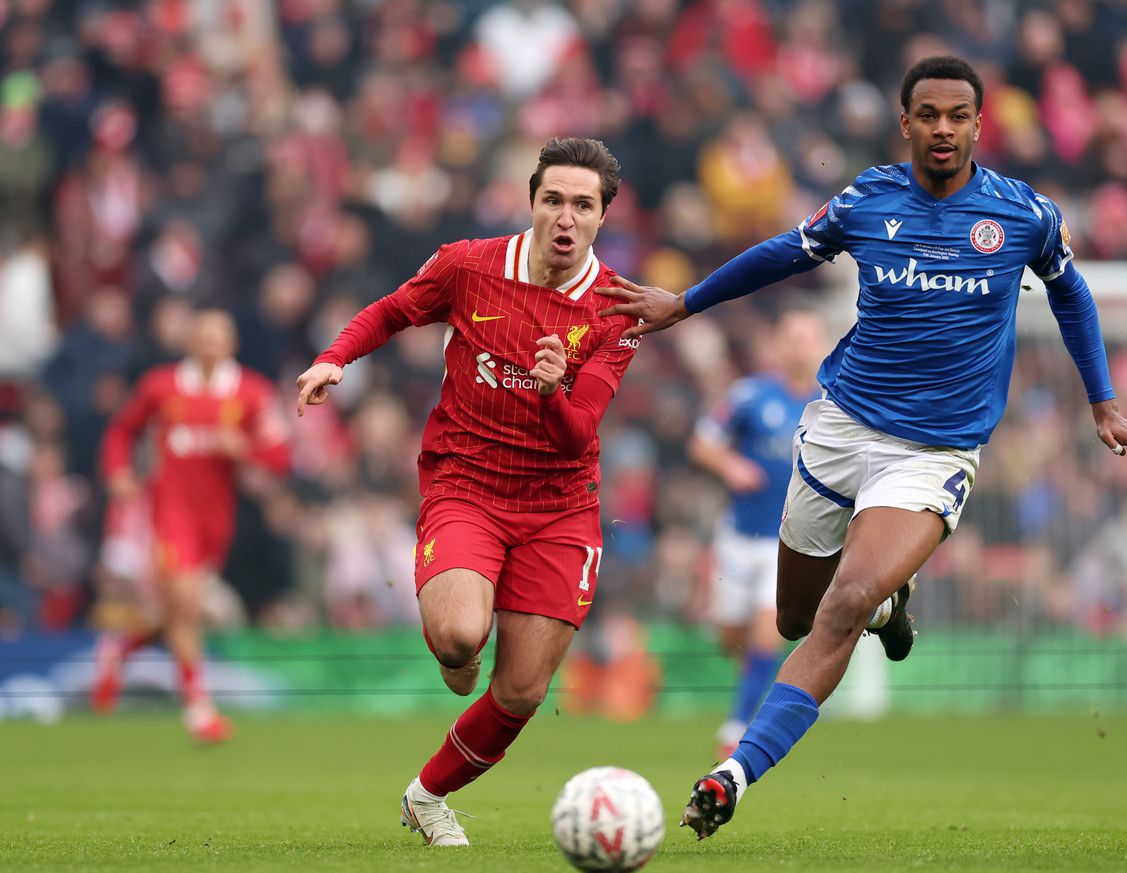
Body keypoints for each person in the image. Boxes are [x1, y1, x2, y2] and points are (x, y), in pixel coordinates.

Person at [597, 56, 1127, 838]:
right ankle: (892, 598)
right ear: (906, 122)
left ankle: (733, 773)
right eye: (927, 114)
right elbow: (784, 251)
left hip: (934, 452)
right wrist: (686, 302)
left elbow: (1069, 289)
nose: (943, 128)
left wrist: (1101, 400)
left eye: (958, 115)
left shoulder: (1022, 214)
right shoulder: (867, 199)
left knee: (844, 603)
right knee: (794, 616)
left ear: (977, 123)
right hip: (838, 428)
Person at [295, 137, 640, 849]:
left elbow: (578, 435)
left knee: (521, 691)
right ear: (532, 201)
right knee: (459, 635)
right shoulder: (469, 264)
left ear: (604, 215)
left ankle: (427, 794)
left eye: (583, 204)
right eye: (554, 200)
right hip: (468, 483)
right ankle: (458, 647)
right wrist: (334, 358)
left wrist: (551, 393)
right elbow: (392, 310)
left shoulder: (615, 309)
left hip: (561, 504)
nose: (566, 217)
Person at [94, 308, 290, 742]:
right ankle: (198, 709)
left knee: (180, 609)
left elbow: (279, 457)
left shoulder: (250, 392)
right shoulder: (161, 386)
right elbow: (121, 430)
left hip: (216, 519)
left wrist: (242, 447)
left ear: (231, 344)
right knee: (184, 599)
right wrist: (119, 472)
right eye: (202, 336)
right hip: (169, 511)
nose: (208, 345)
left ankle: (118, 651)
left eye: (217, 338)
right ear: (190, 342)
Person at [688, 310, 825, 760]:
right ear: (780, 346)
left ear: (820, 344)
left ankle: (736, 728)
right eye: (793, 338)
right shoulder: (749, 394)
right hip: (737, 537)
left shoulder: (834, 402)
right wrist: (732, 465)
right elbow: (703, 441)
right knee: (732, 638)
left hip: (787, 541)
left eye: (808, 338)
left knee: (769, 633)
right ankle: (750, 685)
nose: (800, 347)